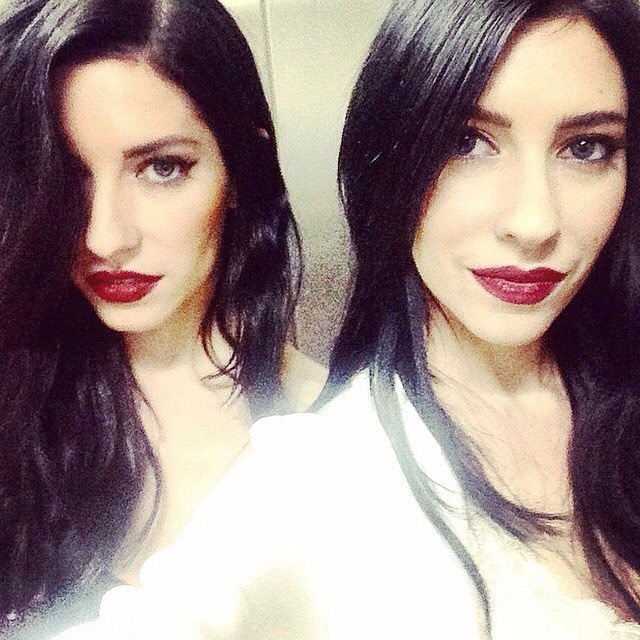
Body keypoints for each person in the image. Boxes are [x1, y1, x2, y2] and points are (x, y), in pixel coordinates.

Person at [0, 0, 325, 636]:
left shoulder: (337, 431)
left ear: (241, 170)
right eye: (66, 177)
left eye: (162, 168)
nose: (104, 237)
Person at [319, 0, 640, 636]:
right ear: (386, 159)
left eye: (586, 148)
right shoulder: (327, 476)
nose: (534, 222)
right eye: (466, 142)